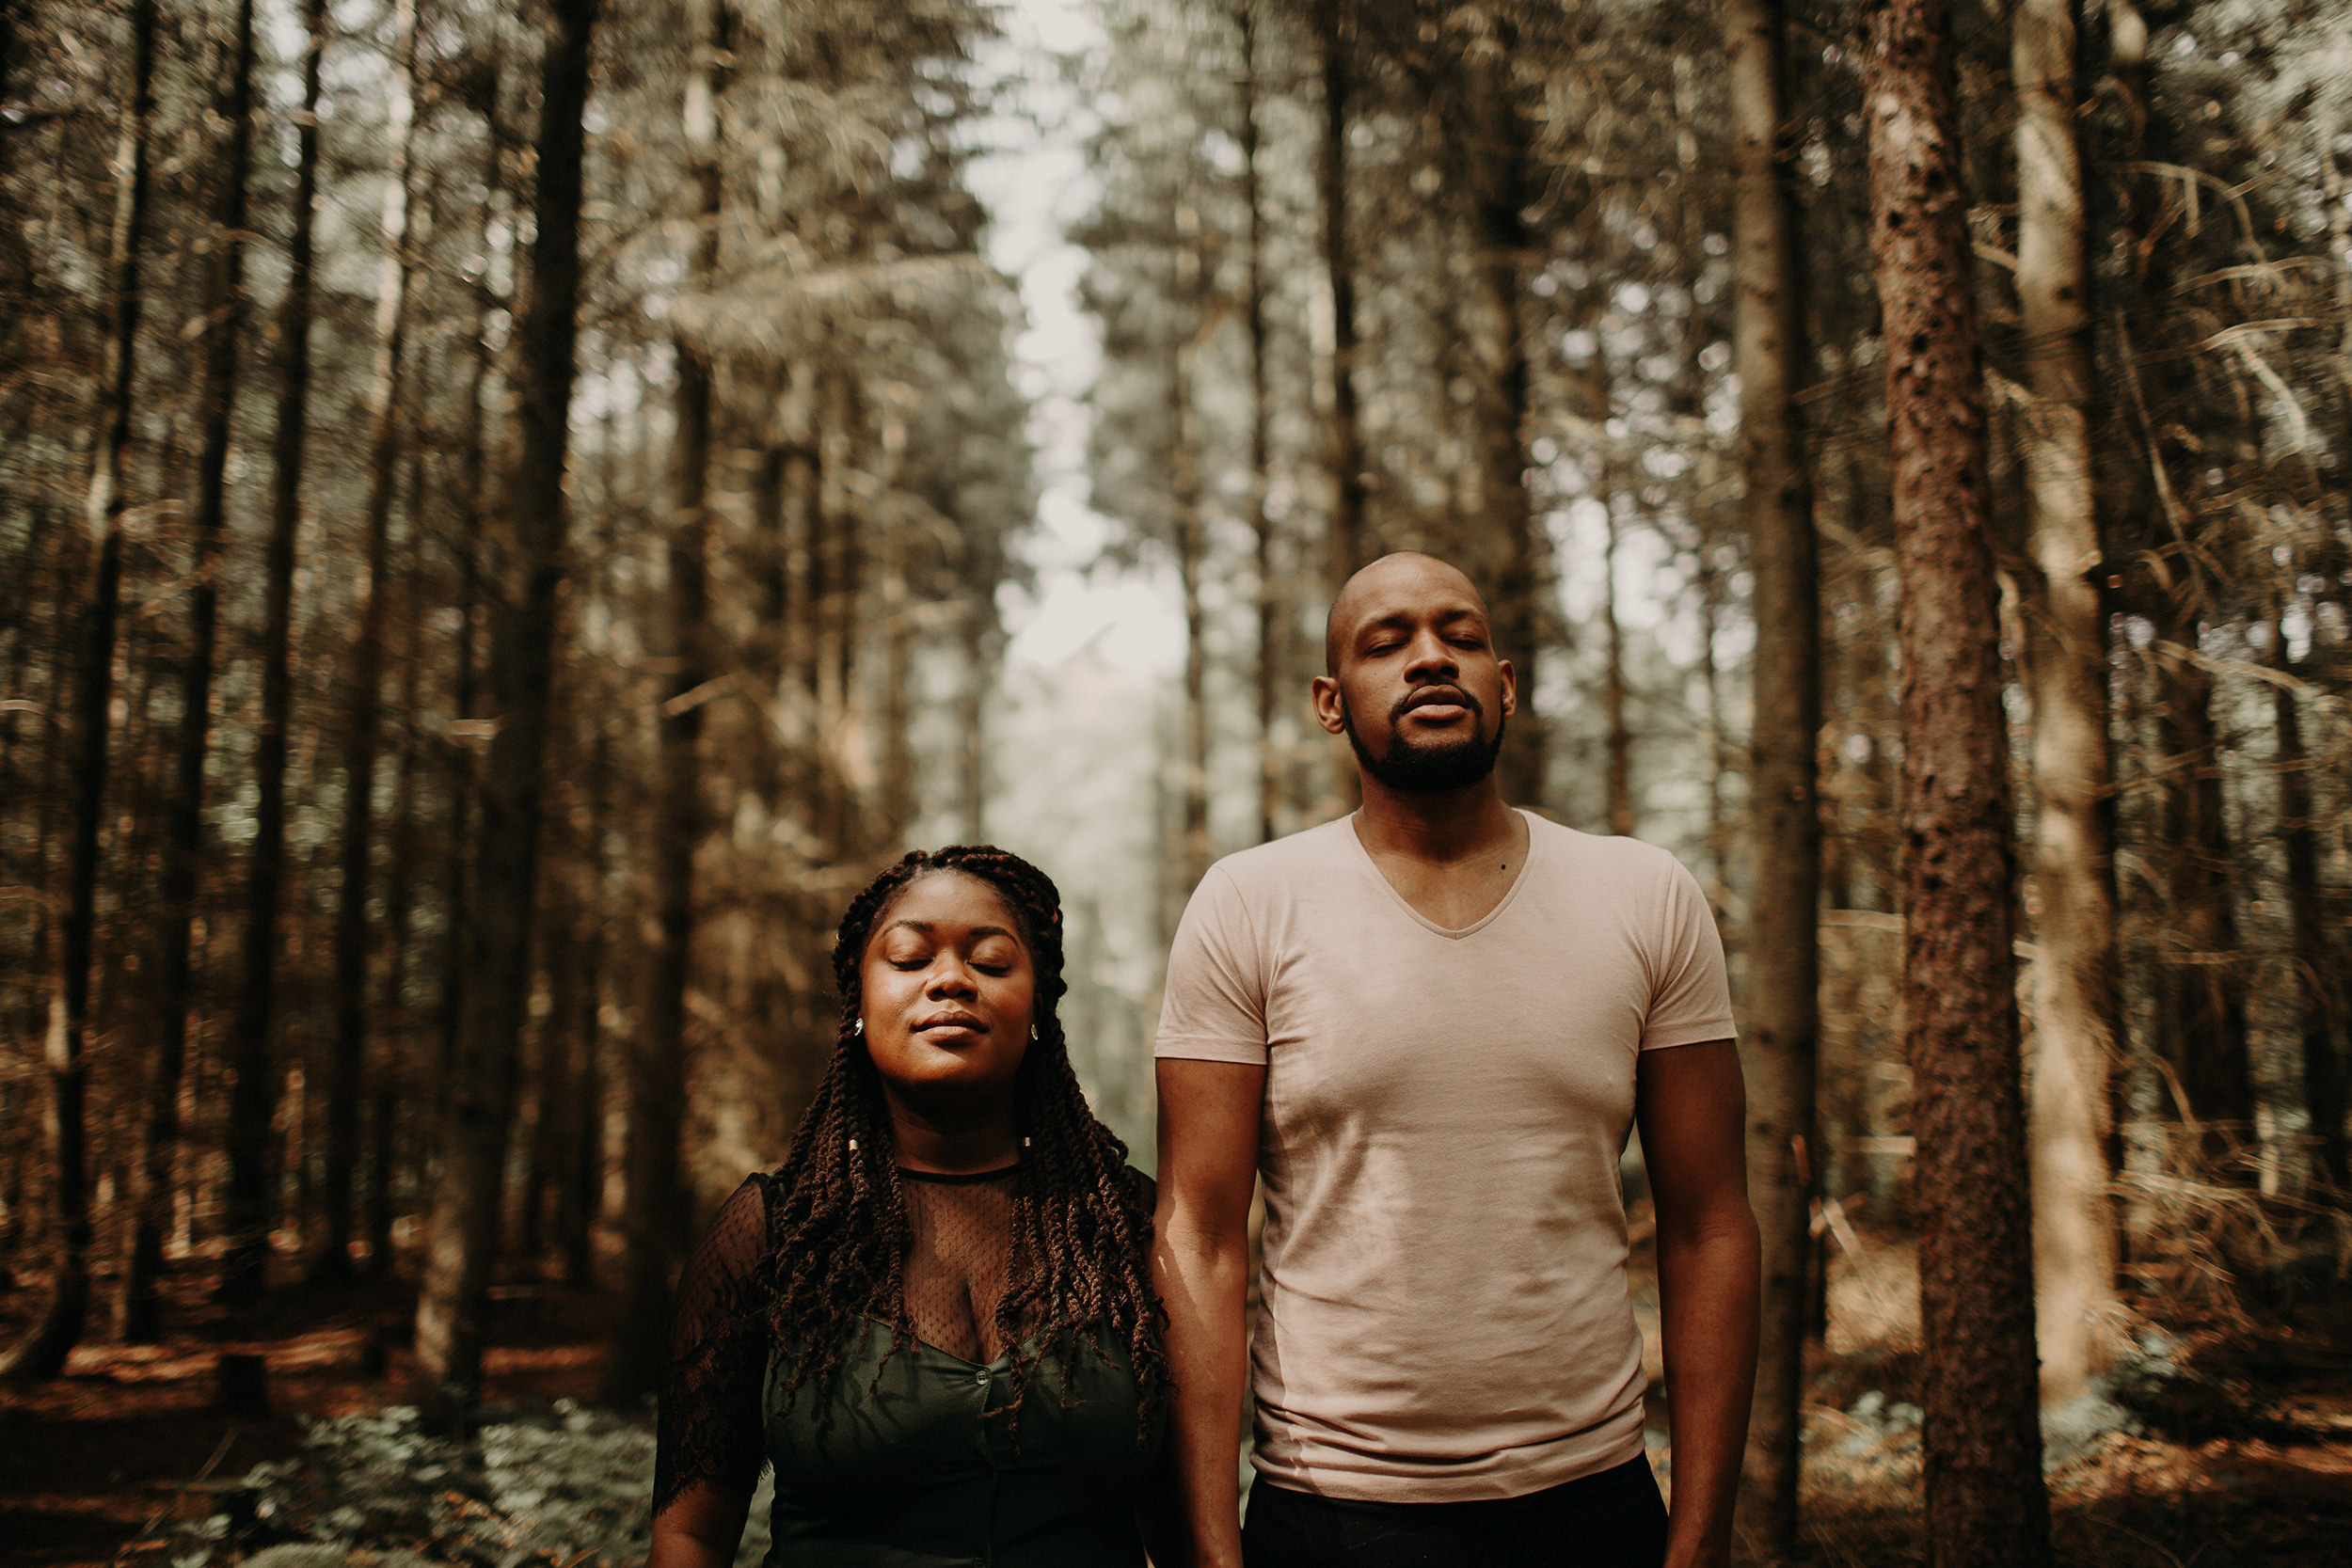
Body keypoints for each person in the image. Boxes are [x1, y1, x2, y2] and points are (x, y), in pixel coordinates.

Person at [1152, 552, 1760, 1568]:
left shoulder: (1644, 894)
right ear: (1330, 701)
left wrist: (1698, 1540)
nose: (1430, 658)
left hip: (1594, 1499)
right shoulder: (1249, 902)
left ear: (1505, 682)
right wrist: (1212, 1552)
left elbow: (1708, 1222)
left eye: (1460, 635)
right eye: (1386, 643)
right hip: (1333, 1509)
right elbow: (1200, 1234)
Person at [648, 846, 1178, 1568]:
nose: (951, 979)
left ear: (1037, 1010)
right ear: (859, 1004)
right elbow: (690, 1536)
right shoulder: (774, 1232)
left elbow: (1183, 1528)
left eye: (991, 962)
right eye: (908, 958)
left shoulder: (1122, 1222)